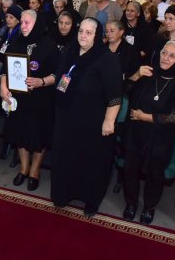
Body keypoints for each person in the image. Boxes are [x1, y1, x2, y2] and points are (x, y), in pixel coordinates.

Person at [51, 17, 122, 216]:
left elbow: (115, 95)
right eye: (81, 31)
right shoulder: (70, 52)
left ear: (97, 36)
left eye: (89, 33)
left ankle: (91, 200)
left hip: (93, 123)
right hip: (67, 118)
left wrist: (109, 121)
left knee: (91, 162)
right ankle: (63, 194)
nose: (83, 35)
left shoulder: (107, 59)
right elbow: (59, 80)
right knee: (66, 157)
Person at [122, 41, 175, 224]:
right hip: (135, 132)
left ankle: (149, 207)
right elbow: (125, 89)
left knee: (154, 174)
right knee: (130, 170)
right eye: (164, 53)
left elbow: (174, 117)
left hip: (160, 136)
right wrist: (136, 75)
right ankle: (130, 203)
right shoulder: (148, 72)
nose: (166, 58)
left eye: (171, 55)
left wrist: (145, 117)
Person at [1, 10, 60, 191]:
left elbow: (59, 75)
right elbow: (4, 69)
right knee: (20, 134)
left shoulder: (49, 46)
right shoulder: (15, 42)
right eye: (22, 23)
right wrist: (3, 86)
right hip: (18, 100)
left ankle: (35, 171)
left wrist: (41, 81)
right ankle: (24, 168)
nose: (23, 26)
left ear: (37, 24)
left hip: (41, 100)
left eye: (27, 23)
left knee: (38, 136)